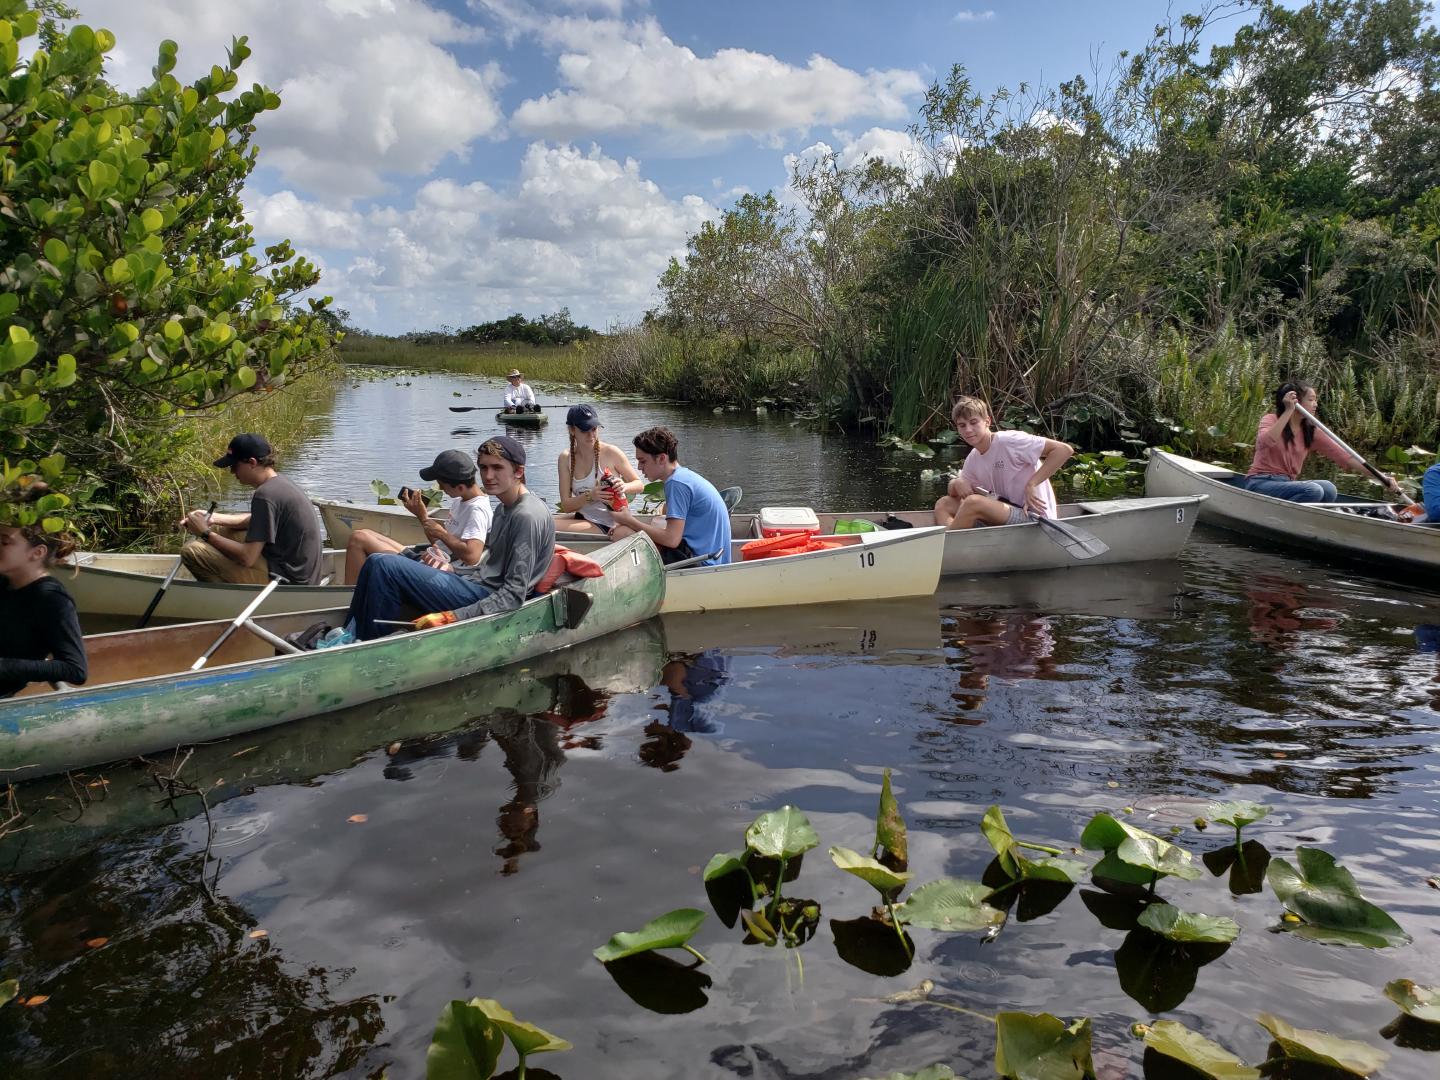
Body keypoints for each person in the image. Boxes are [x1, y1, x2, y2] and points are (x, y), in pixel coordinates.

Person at [343, 435, 555, 640]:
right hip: (472, 582)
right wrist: (454, 569)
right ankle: (350, 634)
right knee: (374, 562)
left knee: (384, 564)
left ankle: (365, 644)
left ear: (518, 471)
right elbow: (489, 567)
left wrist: (453, 617)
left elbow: (513, 594)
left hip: (484, 595)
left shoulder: (526, 515)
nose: (488, 476)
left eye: (497, 468)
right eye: (483, 467)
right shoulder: (503, 509)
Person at [179, 433, 323, 585]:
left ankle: (224, 599)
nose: (232, 472)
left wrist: (205, 533)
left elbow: (247, 558)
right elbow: (256, 521)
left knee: (191, 551)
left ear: (252, 463)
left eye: (234, 466)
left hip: (289, 583)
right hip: (298, 573)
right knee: (223, 531)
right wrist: (214, 519)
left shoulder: (265, 495)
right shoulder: (279, 483)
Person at [343, 449, 492, 584]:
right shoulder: (460, 501)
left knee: (359, 539)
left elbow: (472, 556)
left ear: (460, 487)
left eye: (442, 485)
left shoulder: (477, 510)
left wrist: (442, 532)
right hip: (432, 560)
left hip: (447, 574)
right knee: (363, 534)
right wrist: (422, 516)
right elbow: (442, 546)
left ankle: (349, 600)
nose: (440, 488)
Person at [1242, 381, 1401, 503]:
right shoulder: (1271, 419)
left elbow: (1346, 457)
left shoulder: (1310, 431)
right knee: (1313, 490)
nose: (1315, 404)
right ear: (1296, 401)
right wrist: (1289, 411)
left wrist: (1382, 477)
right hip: (1260, 482)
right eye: (1311, 400)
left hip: (1286, 483)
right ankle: (1281, 517)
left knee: (1329, 489)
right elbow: (1265, 442)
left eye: (1315, 400)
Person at [932, 396, 1074, 529]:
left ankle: (948, 543)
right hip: (1004, 511)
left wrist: (1032, 484)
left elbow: (1064, 450)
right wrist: (957, 482)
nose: (968, 429)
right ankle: (950, 537)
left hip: (1034, 517)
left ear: (987, 421)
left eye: (973, 422)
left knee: (972, 503)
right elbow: (953, 492)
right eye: (962, 425)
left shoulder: (1009, 441)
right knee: (944, 504)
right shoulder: (973, 458)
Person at [608, 426, 732, 565]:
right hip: (712, 556)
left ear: (661, 458)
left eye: (643, 461)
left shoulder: (676, 484)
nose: (638, 467)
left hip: (701, 561)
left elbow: (672, 540)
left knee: (621, 533)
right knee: (656, 521)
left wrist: (629, 521)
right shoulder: (683, 476)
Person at [1, 511, 87, 698]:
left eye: (5, 542)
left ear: (37, 553)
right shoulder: (3, 582)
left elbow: (75, 669)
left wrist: (5, 666)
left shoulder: (51, 599)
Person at [556, 404, 643, 535]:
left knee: (545, 525)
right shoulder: (565, 458)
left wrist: (624, 486)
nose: (591, 435)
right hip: (582, 518)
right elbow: (567, 506)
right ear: (572, 430)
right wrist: (591, 495)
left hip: (608, 524)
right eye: (584, 430)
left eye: (594, 429)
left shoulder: (612, 452)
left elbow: (639, 485)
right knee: (538, 521)